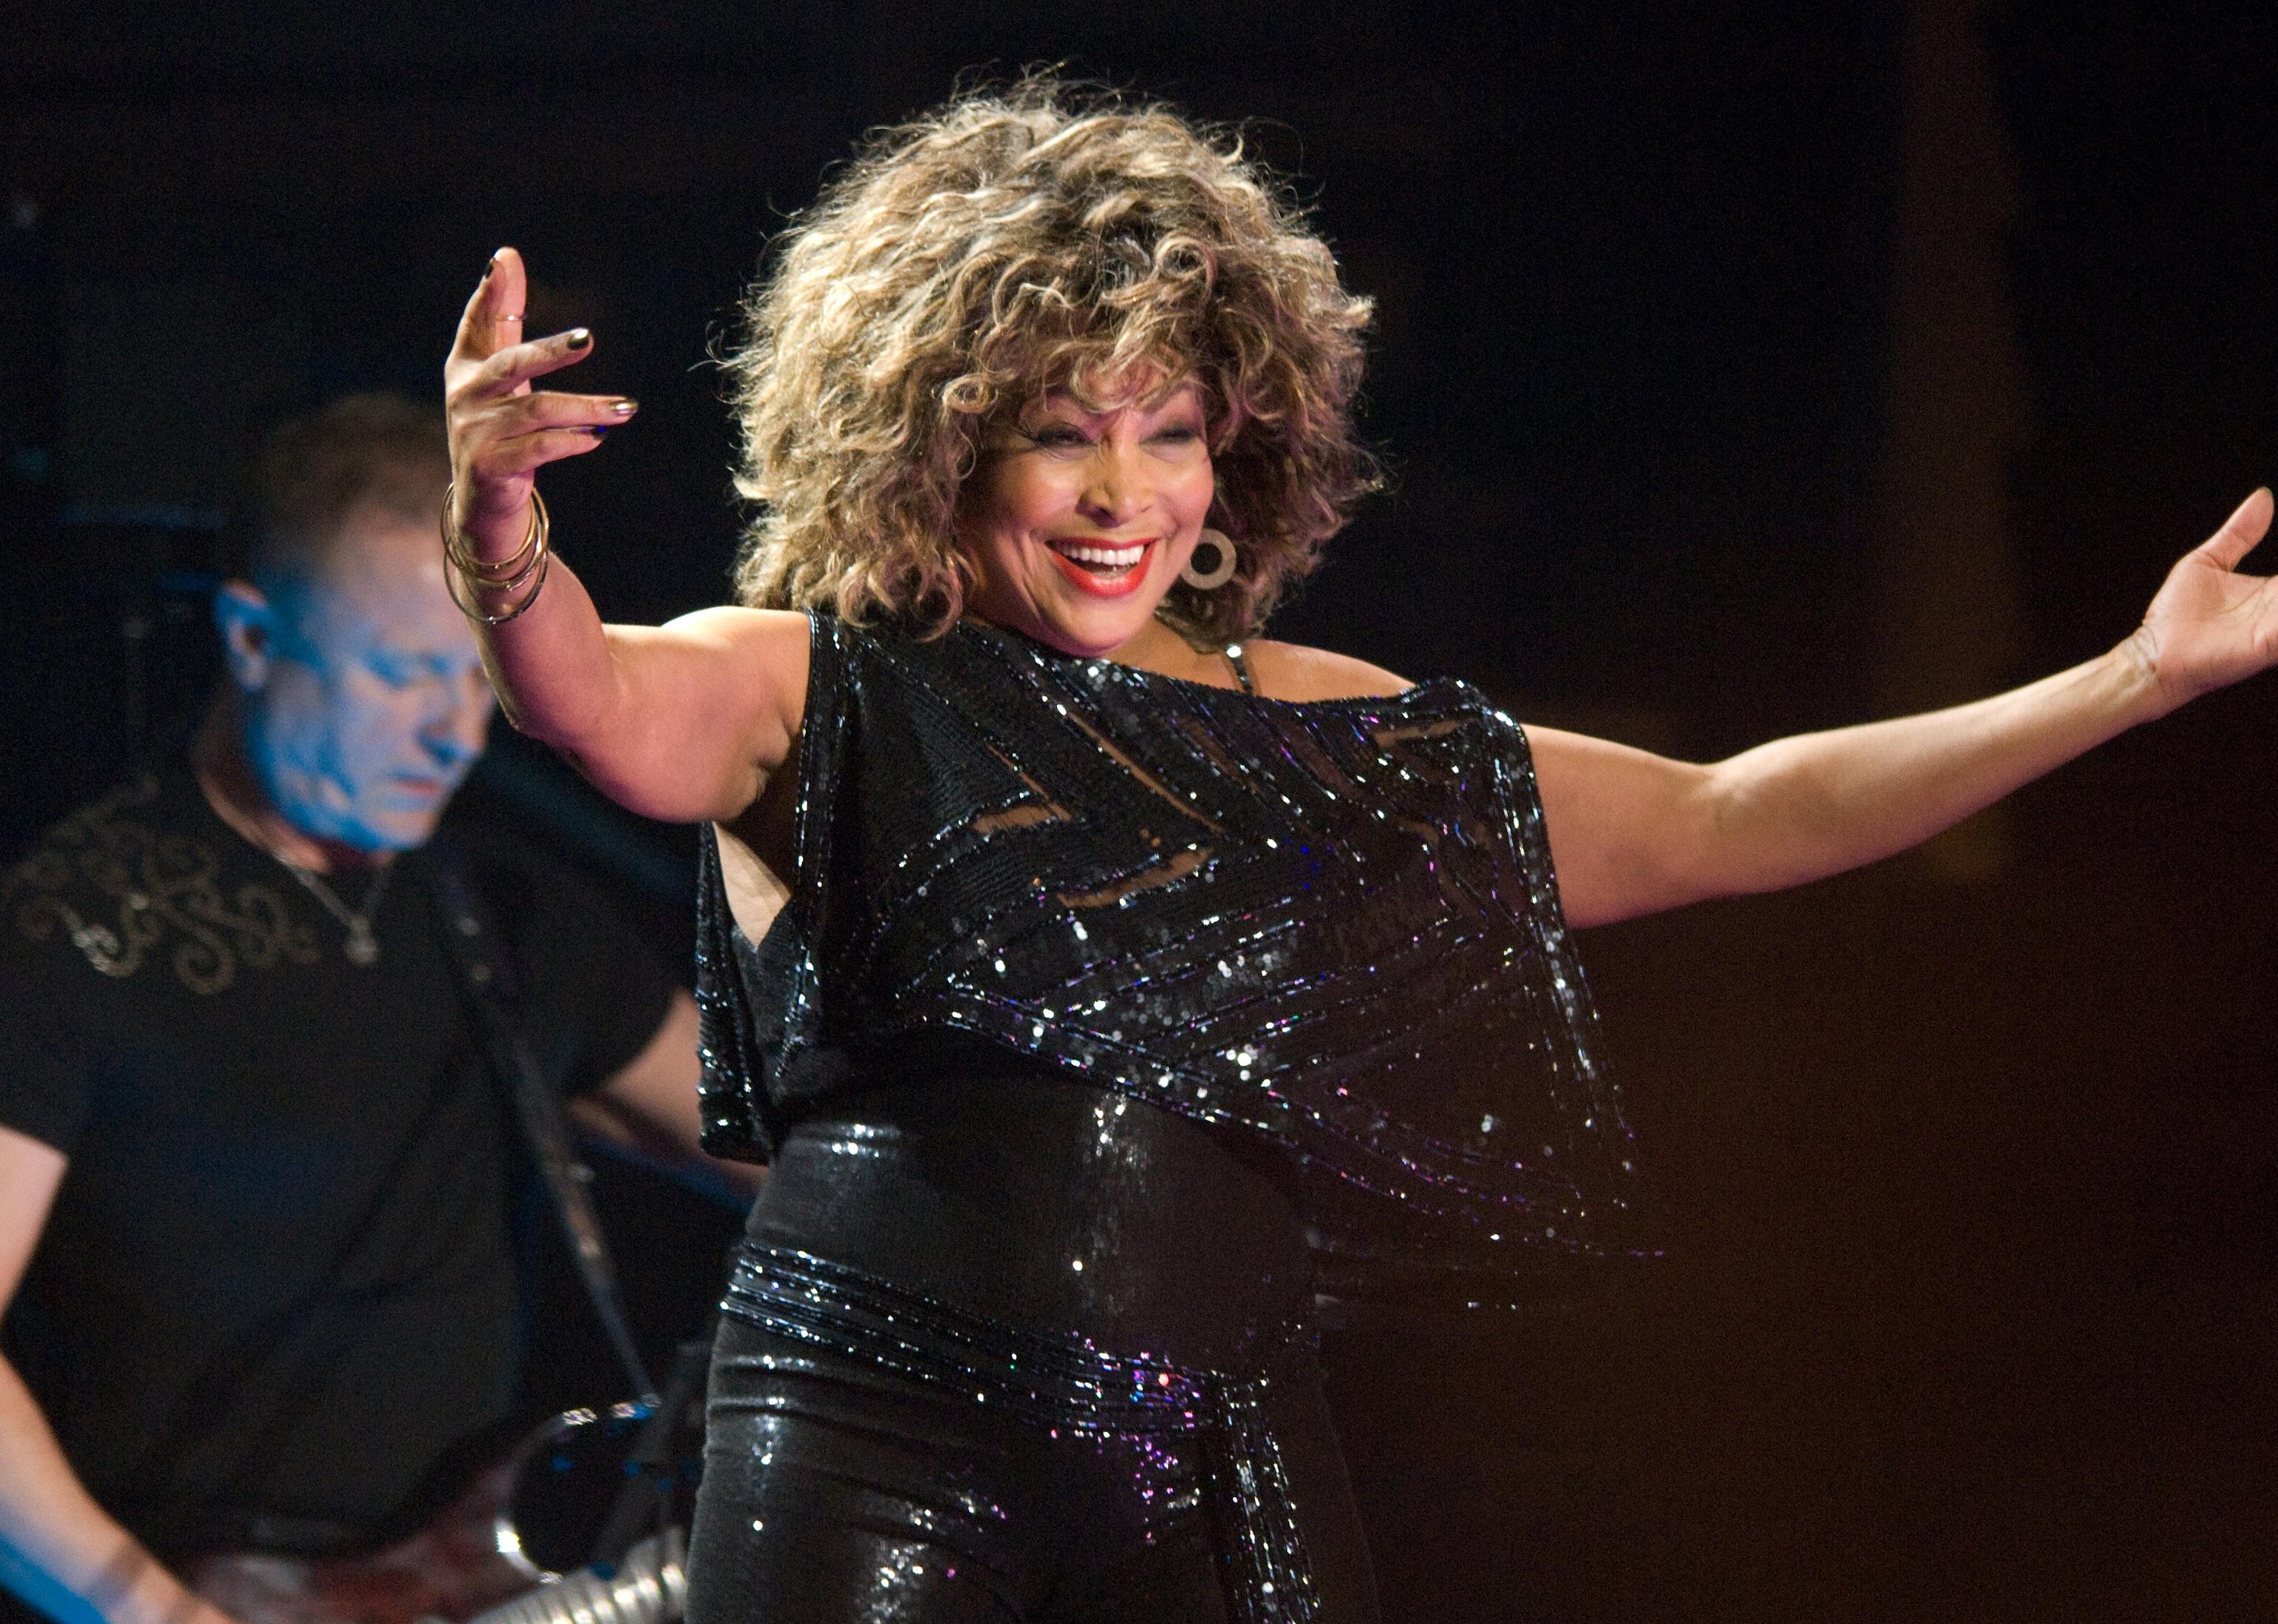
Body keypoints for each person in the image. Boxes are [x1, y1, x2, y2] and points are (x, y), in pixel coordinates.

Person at [437, 82, 2277, 1624]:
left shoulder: (1316, 721)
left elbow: (1729, 814)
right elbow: (586, 698)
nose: (1119, 498)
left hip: (1217, 1445)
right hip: (868, 1420)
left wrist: (2126, 679)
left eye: (1166, 434)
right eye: (1061, 437)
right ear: (933, 443)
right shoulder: (818, 681)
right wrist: (498, 523)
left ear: (1238, 440)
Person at [0, 394, 747, 1624]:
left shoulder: (498, 910)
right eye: (402, 674)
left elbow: (783, 1154)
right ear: (251, 639)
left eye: (475, 682)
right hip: (187, 1580)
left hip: (466, 1582)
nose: (451, 735)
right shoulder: (72, 926)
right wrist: (148, 1611)